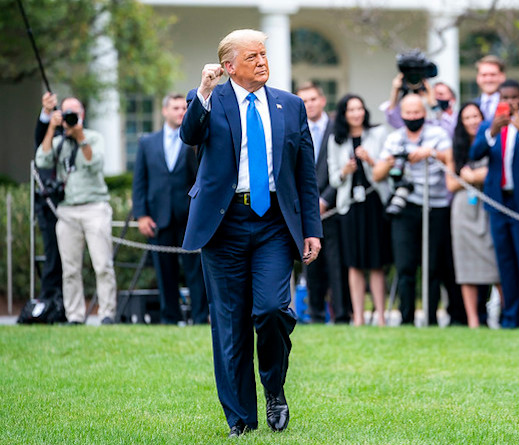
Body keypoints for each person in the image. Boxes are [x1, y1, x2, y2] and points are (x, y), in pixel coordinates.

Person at [179, 29, 322, 436]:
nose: (262, 61)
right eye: (252, 56)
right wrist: (203, 91)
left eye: (264, 54)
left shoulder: (290, 106)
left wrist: (311, 229)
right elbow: (189, 135)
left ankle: (274, 389)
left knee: (273, 310)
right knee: (230, 324)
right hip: (223, 226)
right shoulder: (208, 100)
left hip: (274, 223)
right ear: (228, 67)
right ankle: (240, 418)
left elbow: (304, 174)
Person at [470, 79, 519, 328]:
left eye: (514, 97)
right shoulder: (489, 126)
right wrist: (492, 132)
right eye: (504, 98)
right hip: (498, 203)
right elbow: (474, 154)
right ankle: (510, 318)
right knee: (505, 263)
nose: (509, 102)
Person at [373, 94, 457, 326]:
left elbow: (449, 158)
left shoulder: (438, 135)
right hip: (404, 204)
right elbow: (377, 174)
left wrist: (430, 153)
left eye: (416, 112)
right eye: (407, 113)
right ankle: (406, 318)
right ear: (401, 115)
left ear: (424, 113)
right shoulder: (395, 138)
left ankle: (430, 319)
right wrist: (390, 161)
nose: (412, 117)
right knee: (405, 265)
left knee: (432, 266)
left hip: (435, 206)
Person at [35, 96, 117, 325]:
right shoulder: (59, 141)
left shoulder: (93, 137)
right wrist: (52, 128)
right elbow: (41, 160)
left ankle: (107, 314)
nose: (70, 117)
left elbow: (94, 163)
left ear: (82, 114)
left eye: (74, 113)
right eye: (66, 113)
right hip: (67, 210)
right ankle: (74, 316)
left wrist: (80, 137)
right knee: (70, 269)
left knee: (102, 265)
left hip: (95, 208)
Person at [132, 93, 208, 325]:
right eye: (175, 108)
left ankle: (200, 317)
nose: (180, 112)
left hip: (189, 216)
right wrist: (141, 215)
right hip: (159, 217)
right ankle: (169, 318)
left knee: (196, 271)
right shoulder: (147, 143)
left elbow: (202, 178)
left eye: (183, 109)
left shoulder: (195, 140)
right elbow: (140, 181)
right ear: (164, 111)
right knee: (164, 272)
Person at [327, 94, 392, 326]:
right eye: (351, 110)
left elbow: (387, 169)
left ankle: (382, 317)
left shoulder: (378, 133)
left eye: (360, 109)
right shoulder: (336, 140)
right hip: (349, 206)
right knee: (353, 263)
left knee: (376, 261)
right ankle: (358, 317)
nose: (356, 113)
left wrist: (370, 160)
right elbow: (334, 179)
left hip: (374, 202)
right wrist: (345, 171)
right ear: (344, 114)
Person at [296, 82, 351, 324]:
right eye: (304, 101)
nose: (309, 104)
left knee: (336, 263)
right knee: (311, 263)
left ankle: (340, 315)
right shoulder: (295, 128)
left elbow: (342, 167)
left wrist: (325, 199)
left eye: (313, 99)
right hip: (305, 209)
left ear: (322, 101)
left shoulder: (336, 128)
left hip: (334, 206)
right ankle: (316, 314)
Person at [445, 103, 502, 328]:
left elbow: (496, 173)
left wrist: (475, 176)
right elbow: (451, 183)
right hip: (463, 210)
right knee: (465, 264)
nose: (472, 121)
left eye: (476, 116)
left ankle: (504, 316)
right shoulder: (454, 148)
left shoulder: (493, 142)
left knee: (495, 263)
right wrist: (470, 179)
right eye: (467, 117)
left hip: (488, 205)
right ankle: (473, 320)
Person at [32, 92, 63, 304]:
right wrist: (48, 116)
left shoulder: (81, 135)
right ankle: (49, 300)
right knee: (52, 254)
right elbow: (41, 147)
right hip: (49, 204)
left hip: (74, 204)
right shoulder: (51, 132)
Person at [472, 55, 507, 120]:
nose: (488, 79)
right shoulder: (470, 107)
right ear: (477, 78)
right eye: (484, 75)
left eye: (493, 75)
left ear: (502, 77)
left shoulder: (513, 106)